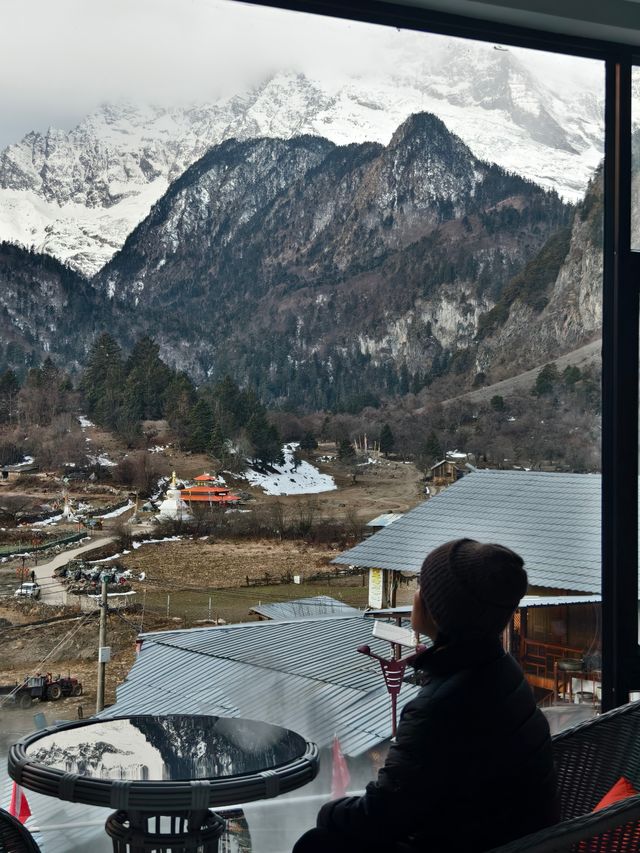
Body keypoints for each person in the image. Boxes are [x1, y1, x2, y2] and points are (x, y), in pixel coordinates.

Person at [293, 538, 559, 853]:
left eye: (422, 586)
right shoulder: (503, 670)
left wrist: (329, 811)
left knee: (317, 843)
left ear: (436, 612)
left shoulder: (440, 707)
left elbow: (383, 816)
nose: (417, 594)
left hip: (474, 841)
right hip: (514, 836)